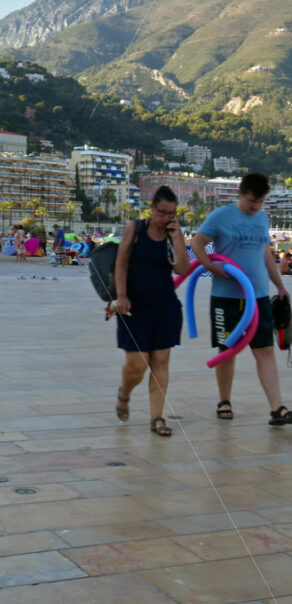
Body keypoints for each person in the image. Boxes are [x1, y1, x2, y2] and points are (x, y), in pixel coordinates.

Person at [191, 172, 292, 426]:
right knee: (227, 349)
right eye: (251, 202)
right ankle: (224, 400)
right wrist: (211, 268)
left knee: (266, 351)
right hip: (226, 297)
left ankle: (277, 408)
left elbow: (265, 254)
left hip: (257, 298)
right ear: (240, 194)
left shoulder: (262, 218)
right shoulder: (221, 216)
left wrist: (279, 285)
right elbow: (198, 242)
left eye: (259, 202)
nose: (255, 207)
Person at [114, 186, 190, 437]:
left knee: (161, 362)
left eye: (171, 213)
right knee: (137, 365)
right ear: (151, 208)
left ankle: (157, 417)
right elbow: (121, 264)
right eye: (162, 212)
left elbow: (182, 269)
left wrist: (178, 237)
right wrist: (122, 296)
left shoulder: (172, 235)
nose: (166, 217)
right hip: (134, 307)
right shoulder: (135, 230)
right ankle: (124, 393)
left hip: (165, 307)